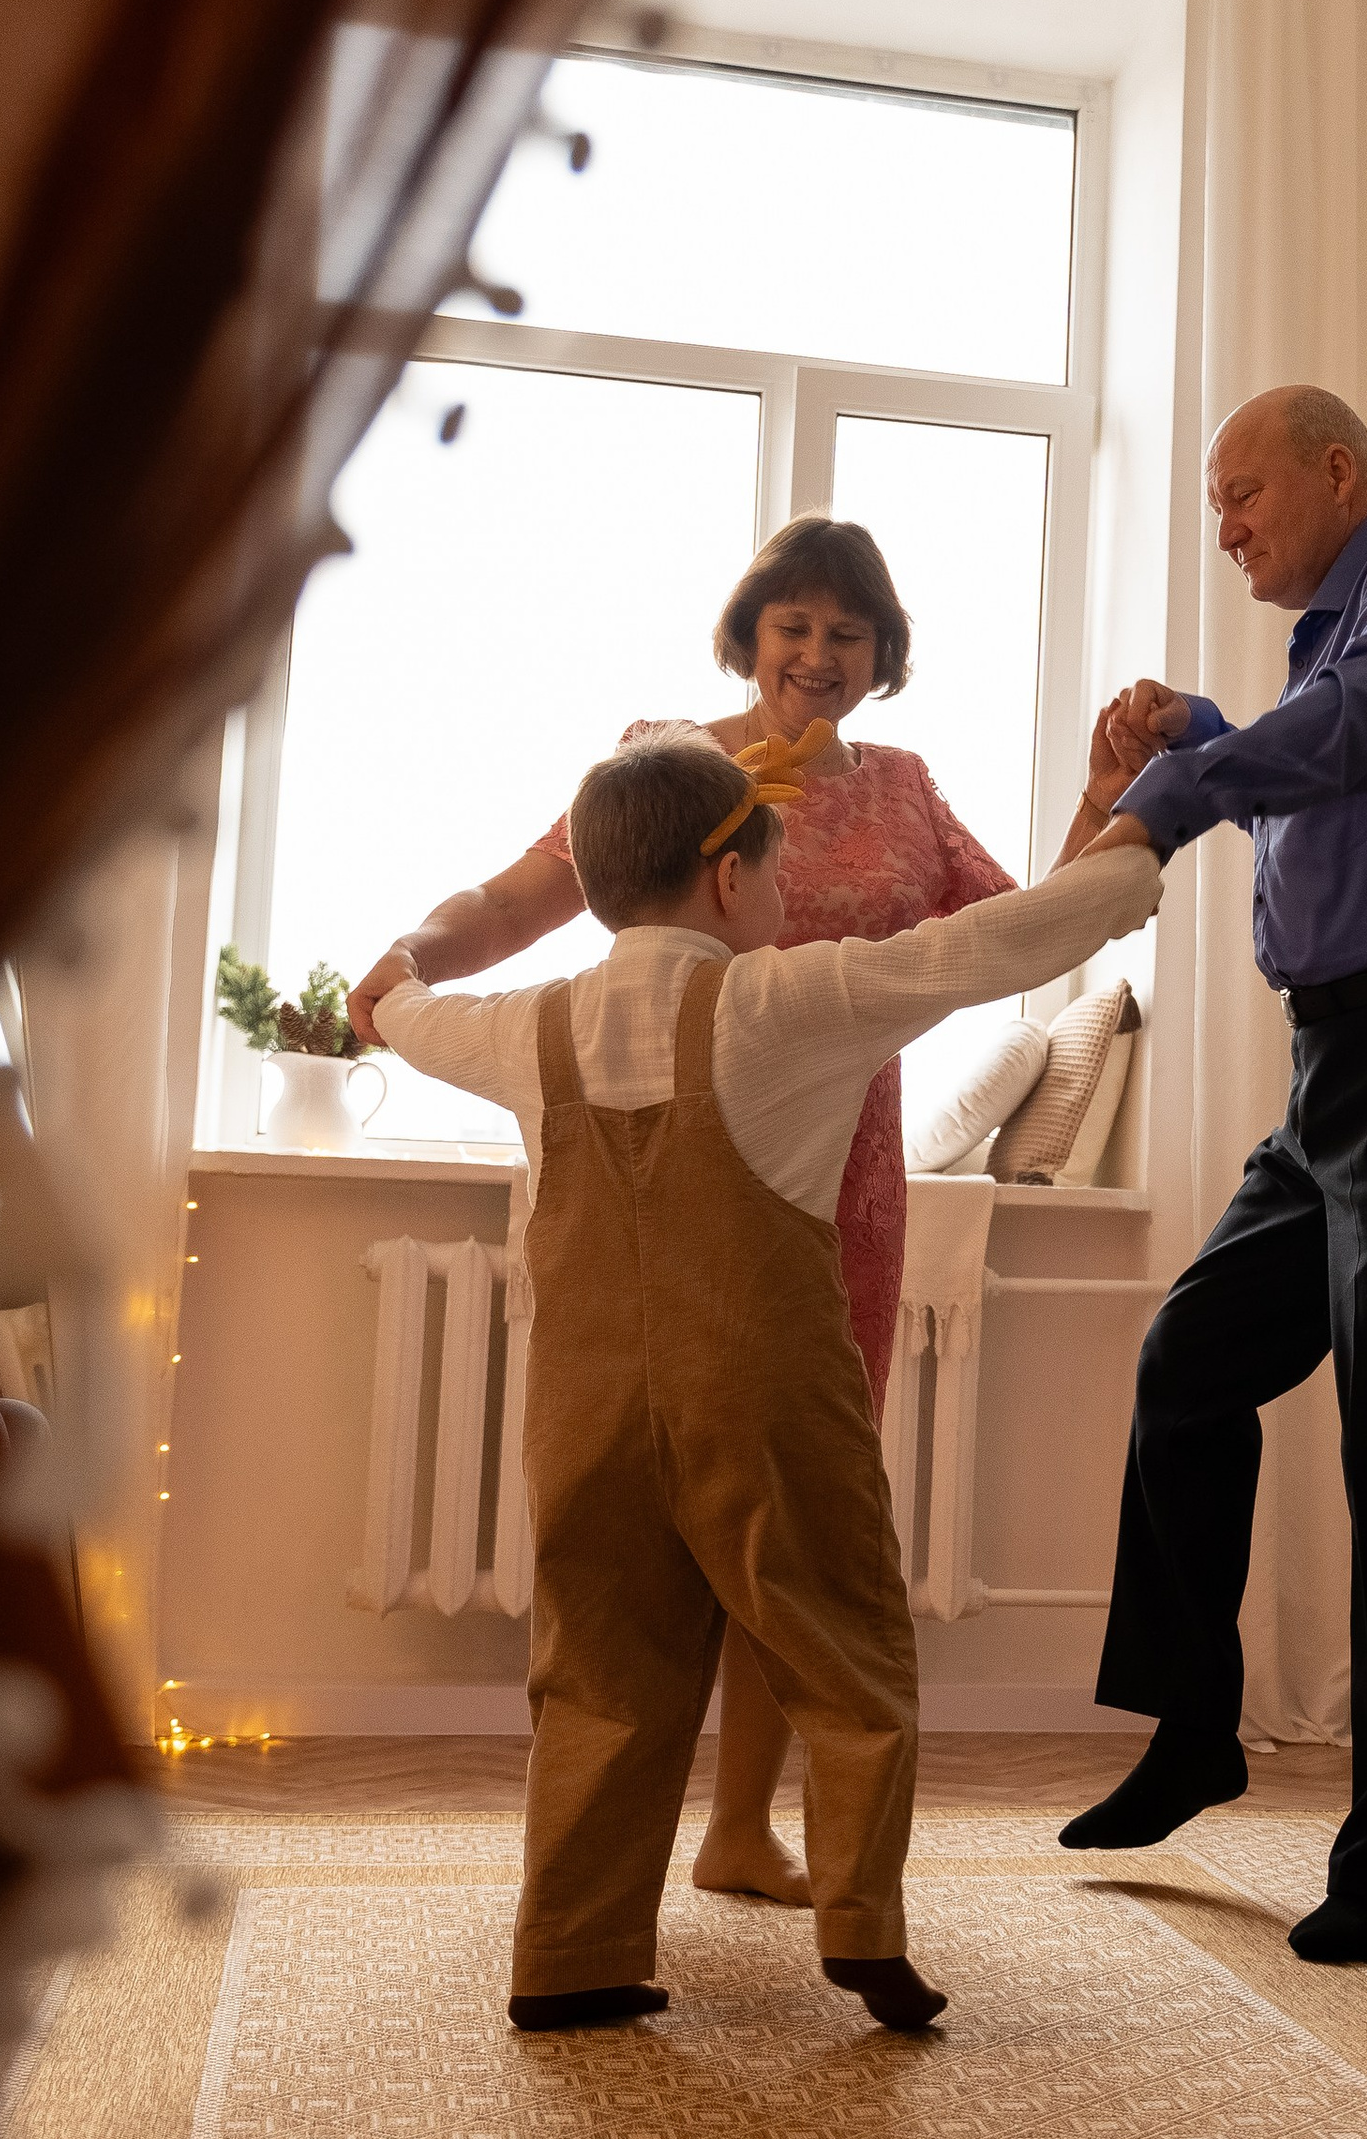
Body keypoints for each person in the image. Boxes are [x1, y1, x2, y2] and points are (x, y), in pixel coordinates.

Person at [349, 515, 1124, 1909]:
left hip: (852, 1170)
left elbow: (1024, 929)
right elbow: (526, 898)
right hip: (670, 1145)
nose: (819, 655)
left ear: (882, 657)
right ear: (752, 634)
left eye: (848, 633)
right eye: (796, 626)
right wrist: (410, 958)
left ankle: (747, 1826)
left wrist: (1110, 799)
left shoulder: (906, 790)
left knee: (808, 1505)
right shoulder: (665, 766)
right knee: (653, 1480)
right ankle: (609, 1853)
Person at [1058, 386, 1367, 1968]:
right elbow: (1327, 778)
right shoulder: (1317, 648)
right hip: (1331, 1073)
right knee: (1186, 1367)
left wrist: (1193, 786)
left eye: (1243, 492)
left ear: (1339, 473)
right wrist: (1201, 730)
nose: (1225, 526)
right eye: (1214, 502)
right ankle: (1199, 1726)